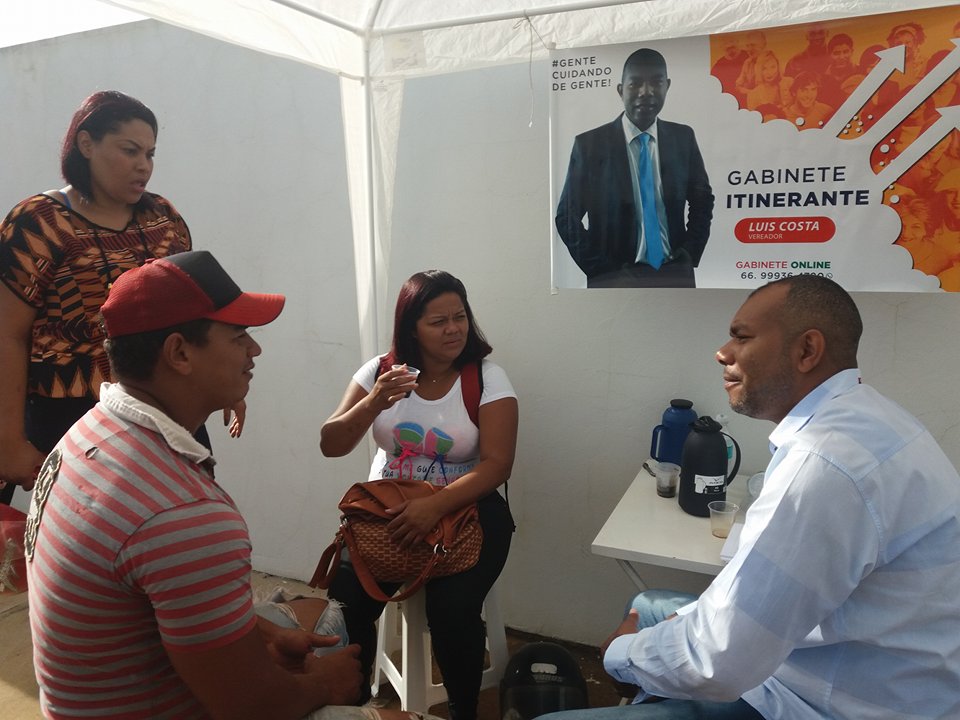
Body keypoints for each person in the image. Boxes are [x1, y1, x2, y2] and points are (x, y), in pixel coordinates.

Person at [24, 250, 437, 720]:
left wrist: (263, 635)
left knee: (309, 617)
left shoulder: (87, 435)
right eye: (239, 336)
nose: (254, 350)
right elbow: (256, 708)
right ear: (179, 353)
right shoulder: (182, 512)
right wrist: (328, 683)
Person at [538, 275, 960, 719]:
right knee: (647, 607)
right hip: (846, 659)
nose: (723, 352)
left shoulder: (823, 465)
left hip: (829, 702)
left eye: (742, 337)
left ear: (806, 351)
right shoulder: (869, 419)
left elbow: (718, 662)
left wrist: (620, 654)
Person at [0, 90, 238, 507]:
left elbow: (195, 315)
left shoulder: (163, 220)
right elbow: (7, 335)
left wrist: (226, 380)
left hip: (164, 402)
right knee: (84, 533)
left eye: (150, 153)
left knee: (181, 520)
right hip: (65, 412)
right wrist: (9, 441)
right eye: (129, 150)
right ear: (86, 144)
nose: (143, 165)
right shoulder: (40, 222)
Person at [320, 270, 518, 720]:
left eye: (460, 317)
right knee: (345, 603)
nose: (454, 329)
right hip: (389, 510)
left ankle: (463, 710)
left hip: (469, 509)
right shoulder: (378, 371)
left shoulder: (487, 377)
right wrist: (373, 402)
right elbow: (331, 444)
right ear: (411, 327)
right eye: (438, 321)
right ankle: (355, 708)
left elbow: (497, 465)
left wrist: (433, 506)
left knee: (452, 613)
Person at [556, 48, 714, 288]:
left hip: (675, 276)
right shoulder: (590, 145)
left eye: (656, 82)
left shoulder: (683, 138)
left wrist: (690, 253)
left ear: (667, 86)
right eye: (635, 84)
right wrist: (602, 271)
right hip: (615, 280)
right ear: (621, 90)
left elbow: (702, 200)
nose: (646, 92)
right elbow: (567, 217)